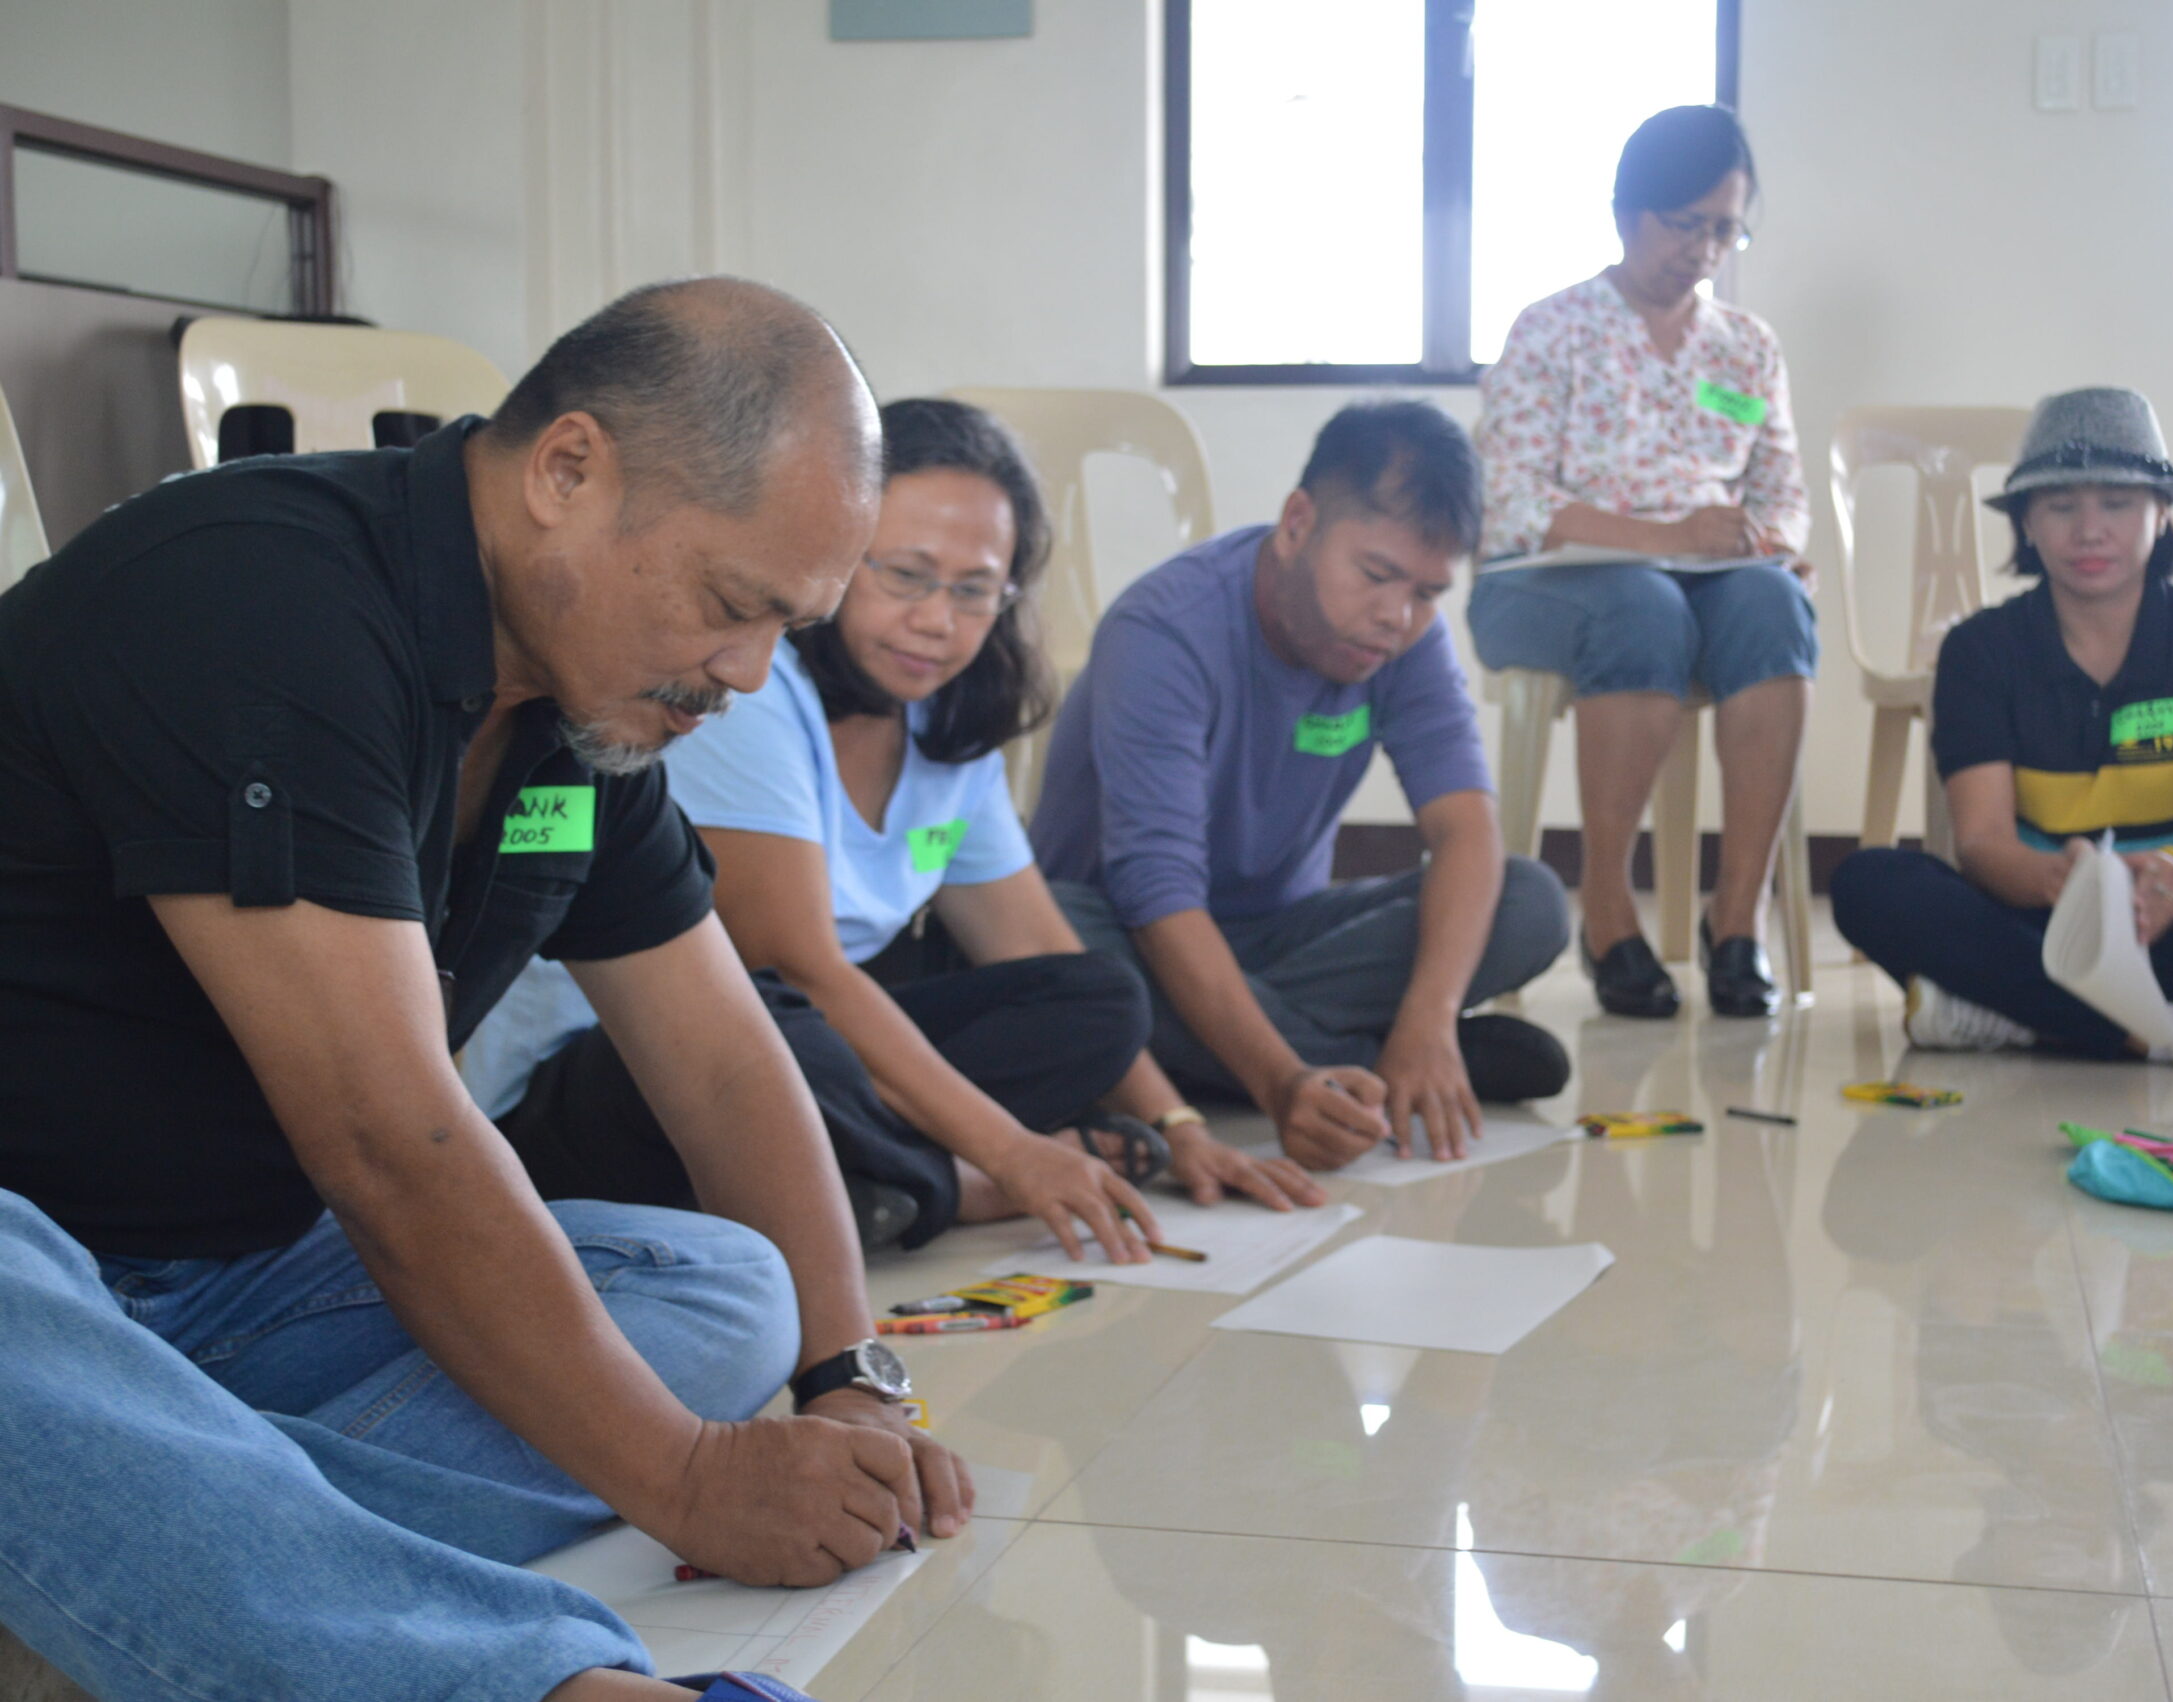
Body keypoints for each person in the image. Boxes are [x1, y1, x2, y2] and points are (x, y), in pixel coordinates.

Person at [0, 279, 974, 1702]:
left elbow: (720, 1065)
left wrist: (848, 1380)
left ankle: (125, 1534)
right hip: (35, 1263)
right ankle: (485, 1670)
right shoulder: (261, 598)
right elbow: (391, 1142)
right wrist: (690, 1482)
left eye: (788, 630)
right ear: (567, 471)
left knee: (725, 1288)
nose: (749, 674)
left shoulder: (583, 713)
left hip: (243, 1292)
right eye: (729, 605)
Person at [469, 398, 1320, 1263]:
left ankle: (866, 1178)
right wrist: (1009, 1153)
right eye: (905, 575)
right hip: (599, 1081)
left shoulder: (947, 719)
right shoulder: (752, 689)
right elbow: (790, 967)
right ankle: (941, 1186)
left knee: (1099, 1000)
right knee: (785, 1026)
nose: (937, 620)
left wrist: (1177, 1126)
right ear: (831, 561)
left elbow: (1031, 944)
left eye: (974, 590)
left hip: (809, 1057)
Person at [1034, 401, 1573, 1171]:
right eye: (1376, 574)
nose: (1396, 615)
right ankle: (1349, 1056)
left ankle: (1251, 1056)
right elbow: (1158, 896)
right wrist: (1282, 1083)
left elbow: (1467, 830)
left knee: (1529, 900)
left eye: (1427, 592)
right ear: (1297, 523)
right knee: (1042, 932)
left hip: (1280, 935)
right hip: (1131, 934)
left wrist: (1429, 1018)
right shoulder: (1164, 632)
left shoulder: (1408, 639)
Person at [1830, 387, 2173, 1072]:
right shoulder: (1982, 649)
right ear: (2027, 521)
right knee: (1867, 884)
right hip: (2043, 919)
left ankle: (2022, 1018)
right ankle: (2165, 1033)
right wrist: (2059, 883)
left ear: (2160, 514)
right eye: (2061, 506)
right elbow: (1982, 842)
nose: (2090, 531)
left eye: (2117, 504)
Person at [1467, 103, 1816, 1020]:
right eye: (1686, 224)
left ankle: (1736, 921)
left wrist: (1768, 544)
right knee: (1642, 605)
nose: (1705, 249)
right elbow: (1509, 504)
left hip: (1707, 585)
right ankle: (1610, 910)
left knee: (1775, 608)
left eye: (1725, 229)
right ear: (1628, 215)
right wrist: (1667, 540)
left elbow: (1784, 495)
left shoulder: (1747, 348)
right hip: (1542, 584)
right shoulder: (1553, 329)